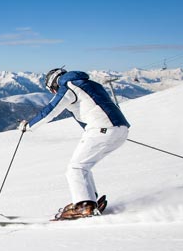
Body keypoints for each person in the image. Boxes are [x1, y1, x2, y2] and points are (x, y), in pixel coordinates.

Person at [18, 68, 130, 220]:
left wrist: (28, 126)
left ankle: (85, 205)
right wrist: (115, 130)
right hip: (119, 129)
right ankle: (89, 200)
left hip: (102, 130)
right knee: (83, 166)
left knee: (76, 168)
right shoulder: (91, 84)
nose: (54, 92)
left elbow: (51, 109)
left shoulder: (69, 86)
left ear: (54, 84)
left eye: (52, 90)